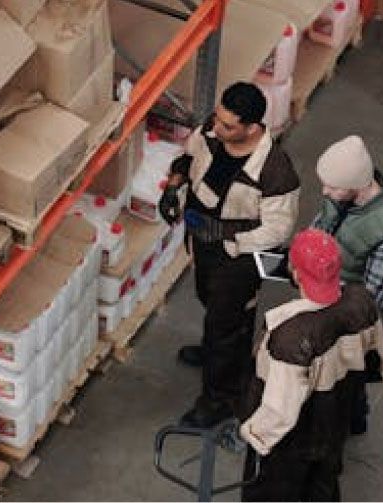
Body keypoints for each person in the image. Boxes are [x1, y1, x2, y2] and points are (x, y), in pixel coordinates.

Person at [158, 82, 300, 428]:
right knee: (208, 299)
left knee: (229, 323)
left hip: (238, 258)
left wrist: (229, 241)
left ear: (252, 127)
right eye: (218, 120)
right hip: (204, 241)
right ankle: (214, 353)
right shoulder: (213, 131)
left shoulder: (275, 171)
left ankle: (221, 397)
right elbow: (189, 156)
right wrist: (174, 186)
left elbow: (278, 230)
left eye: (228, 126)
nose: (216, 128)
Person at [238, 229, 383, 501]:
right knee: (323, 485)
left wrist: (253, 434)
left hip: (295, 439)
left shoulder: (290, 338)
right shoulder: (361, 302)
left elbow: (280, 411)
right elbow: (376, 358)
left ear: (295, 274)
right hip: (334, 419)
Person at [312, 135, 383, 434]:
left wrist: (325, 295)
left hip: (351, 318)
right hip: (329, 295)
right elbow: (322, 224)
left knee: (347, 374)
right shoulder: (343, 192)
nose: (325, 191)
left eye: (332, 186)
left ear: (356, 185)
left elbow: (368, 305)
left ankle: (350, 420)